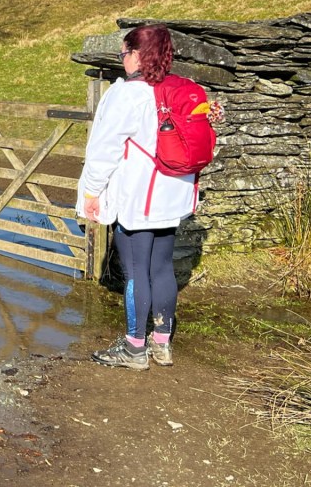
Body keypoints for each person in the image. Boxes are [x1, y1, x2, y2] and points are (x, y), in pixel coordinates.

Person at [77, 24, 197, 370]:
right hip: (172, 195)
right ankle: (162, 345)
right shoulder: (177, 89)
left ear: (137, 55)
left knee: (134, 271)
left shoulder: (128, 94)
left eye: (124, 54)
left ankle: (133, 348)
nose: (123, 61)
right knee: (162, 269)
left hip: (139, 197)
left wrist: (91, 191)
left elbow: (105, 149)